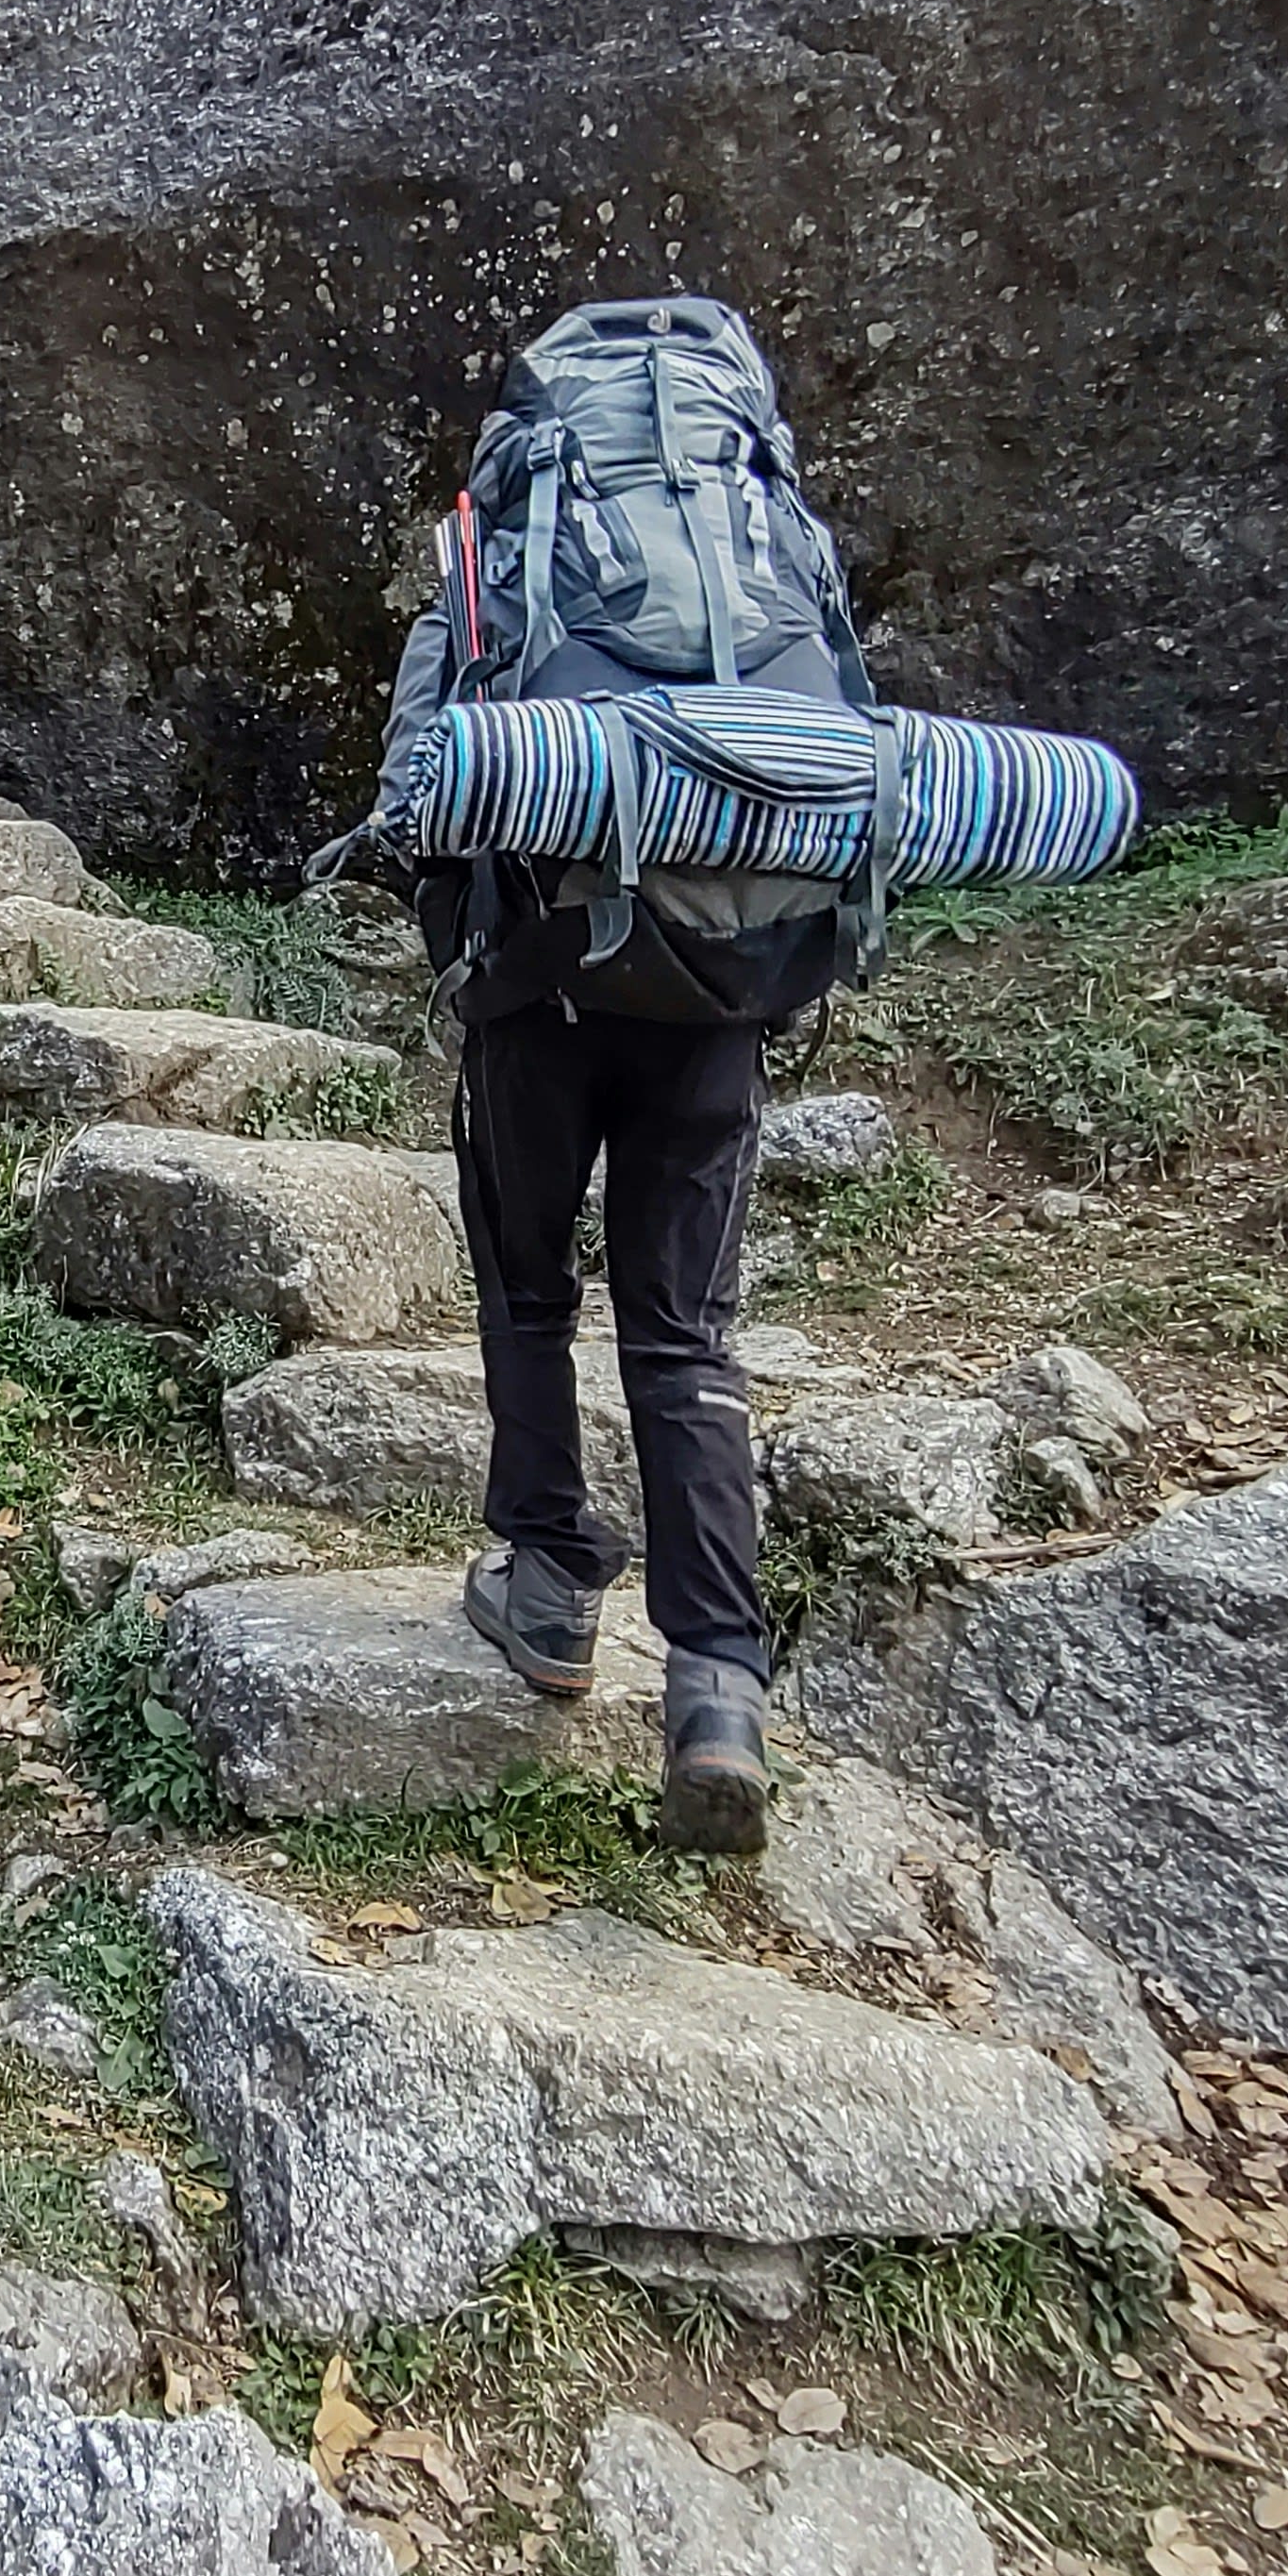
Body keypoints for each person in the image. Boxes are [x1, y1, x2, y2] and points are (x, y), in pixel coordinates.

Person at [353, 300, 878, 1862]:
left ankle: (549, 1583)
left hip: (539, 995)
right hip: (720, 991)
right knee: (685, 1328)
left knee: (528, 1290)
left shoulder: (495, 545)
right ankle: (716, 1685)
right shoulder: (775, 542)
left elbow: (418, 786)